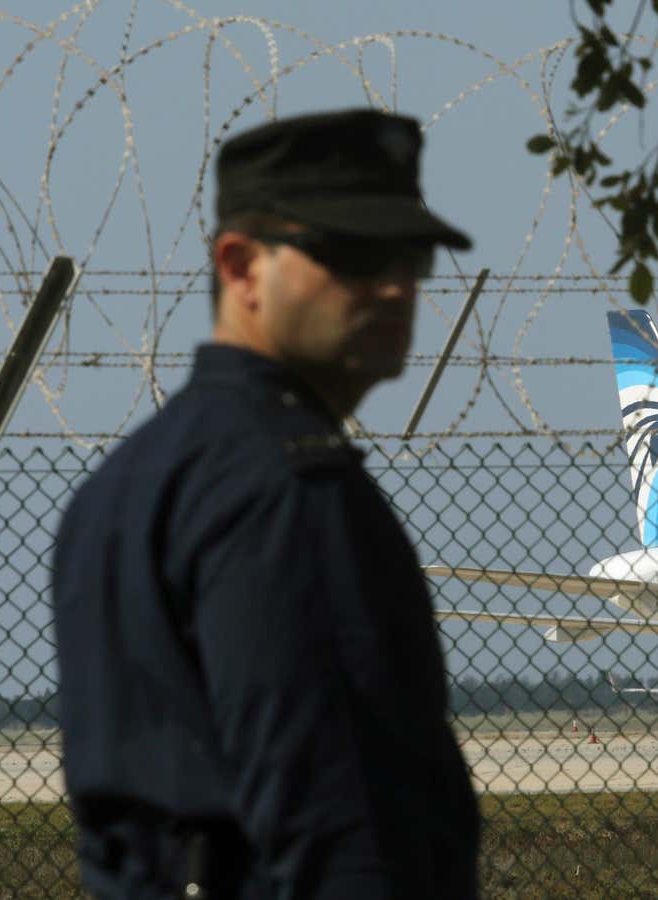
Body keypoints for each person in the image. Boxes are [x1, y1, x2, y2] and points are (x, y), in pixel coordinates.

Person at [51, 108, 481, 899]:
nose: (394, 285)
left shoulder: (124, 488)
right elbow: (341, 821)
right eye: (348, 253)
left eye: (410, 255)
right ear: (242, 266)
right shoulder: (285, 489)